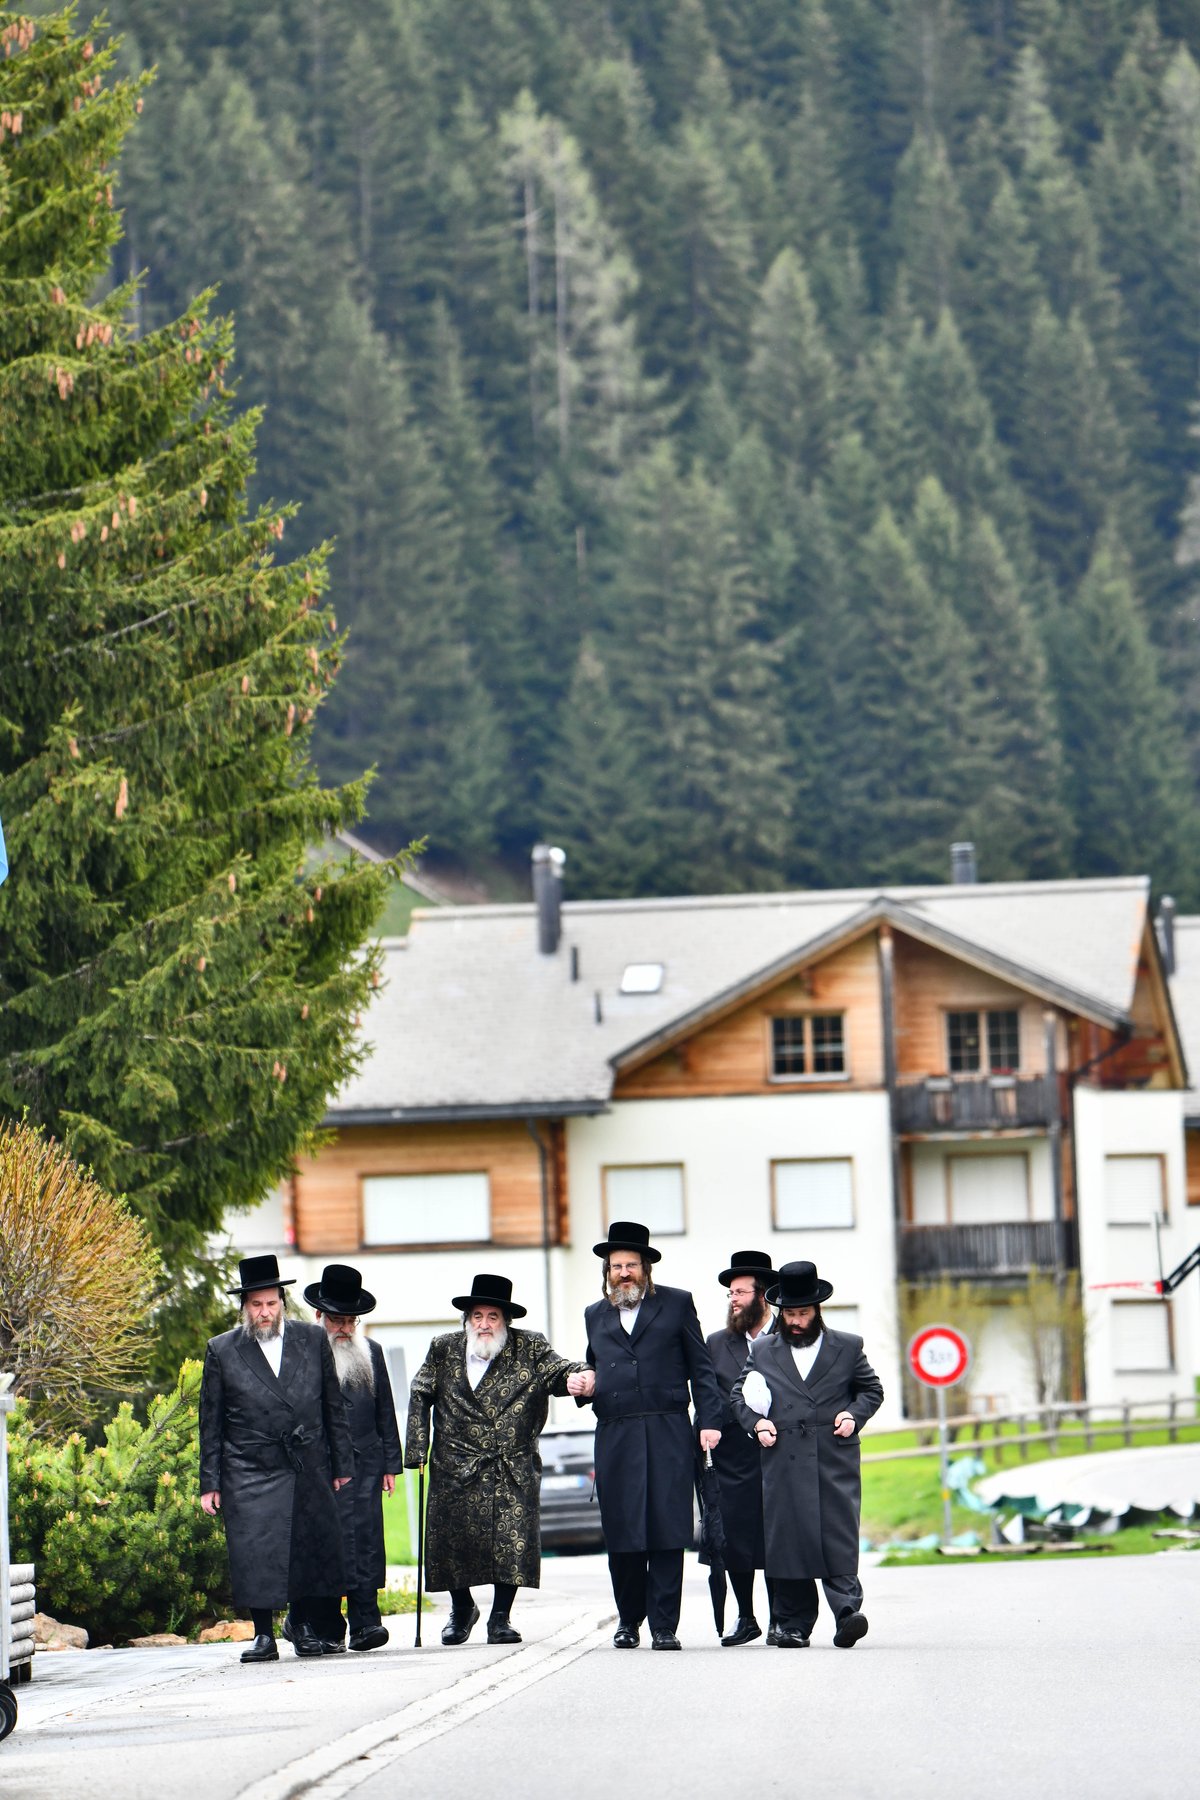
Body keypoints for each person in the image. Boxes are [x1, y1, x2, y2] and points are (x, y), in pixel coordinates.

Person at [405, 1273, 587, 1646]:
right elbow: (421, 1391)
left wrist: (579, 1378)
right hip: (455, 1464)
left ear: (505, 1320)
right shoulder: (444, 1348)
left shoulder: (529, 1347)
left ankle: (500, 1618)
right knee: (453, 1543)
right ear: (467, 1319)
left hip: (511, 1465)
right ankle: (461, 1610)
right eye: (477, 1316)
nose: (484, 1324)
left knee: (512, 1542)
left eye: (492, 1317)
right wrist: (416, 1450)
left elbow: (558, 1369)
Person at [575, 1221, 723, 1651]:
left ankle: (663, 1625)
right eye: (616, 1266)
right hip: (616, 1434)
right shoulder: (594, 1314)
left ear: (646, 1268)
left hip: (667, 1429)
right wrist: (585, 1382)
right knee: (621, 1531)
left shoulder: (676, 1304)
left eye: (631, 1265)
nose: (623, 1272)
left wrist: (709, 1419)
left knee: (666, 1528)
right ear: (607, 1271)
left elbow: (702, 1368)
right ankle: (628, 1620)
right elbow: (595, 1365)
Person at [199, 1254, 353, 1664]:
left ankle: (302, 1627)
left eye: (271, 1303)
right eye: (256, 1304)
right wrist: (209, 1482)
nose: (264, 1312)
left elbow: (331, 1405)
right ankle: (263, 1634)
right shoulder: (223, 1350)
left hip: (305, 1459)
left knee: (305, 1545)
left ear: (282, 1303)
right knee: (255, 1551)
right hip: (247, 1466)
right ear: (244, 1307)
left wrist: (342, 1466)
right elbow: (210, 1421)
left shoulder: (312, 1339)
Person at [731, 1260, 883, 1650]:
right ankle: (793, 1625)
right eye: (790, 1314)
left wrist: (854, 1414)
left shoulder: (847, 1346)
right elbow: (738, 1395)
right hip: (783, 1457)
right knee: (789, 1540)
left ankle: (847, 1613)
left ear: (817, 1311)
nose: (796, 1321)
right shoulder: (763, 1349)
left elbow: (871, 1390)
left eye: (803, 1313)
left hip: (834, 1456)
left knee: (838, 1534)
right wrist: (756, 1424)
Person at [302, 1264, 403, 1653]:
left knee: (366, 1541)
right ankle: (327, 1626)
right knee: (330, 1543)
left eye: (349, 1321)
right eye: (336, 1320)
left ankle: (367, 1622)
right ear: (319, 1317)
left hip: (366, 1462)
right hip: (323, 1466)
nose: (343, 1328)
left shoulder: (371, 1353)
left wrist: (391, 1464)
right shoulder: (306, 1354)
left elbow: (385, 1410)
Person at [706, 1250, 778, 1646]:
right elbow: (710, 1395)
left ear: (762, 1296)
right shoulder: (718, 1343)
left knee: (777, 1534)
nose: (733, 1299)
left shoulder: (787, 1336)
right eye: (730, 1293)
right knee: (735, 1538)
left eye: (740, 1292)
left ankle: (780, 1618)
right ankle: (746, 1615)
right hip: (733, 1455)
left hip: (779, 1452)